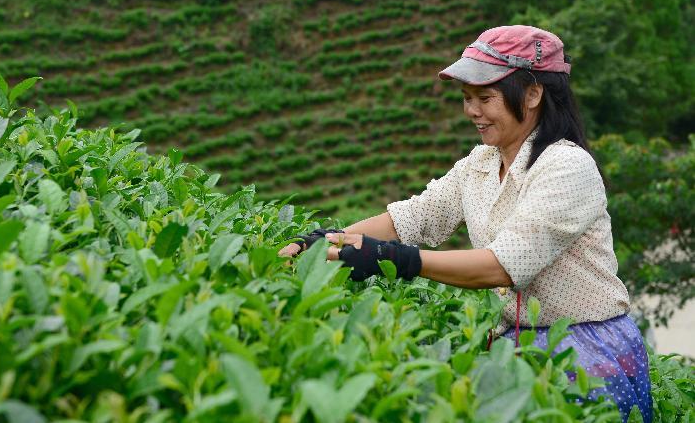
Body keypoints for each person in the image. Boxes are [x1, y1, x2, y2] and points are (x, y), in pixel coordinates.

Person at [279, 25, 652, 422]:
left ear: (533, 93)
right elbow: (412, 218)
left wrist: (395, 259)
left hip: (586, 350)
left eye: (485, 97)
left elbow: (501, 267)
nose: (472, 111)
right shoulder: (482, 163)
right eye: (466, 98)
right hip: (516, 347)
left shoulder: (566, 167)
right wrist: (323, 240)